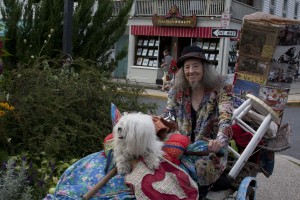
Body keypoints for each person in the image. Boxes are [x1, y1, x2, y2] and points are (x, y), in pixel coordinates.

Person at [162, 45, 233, 199]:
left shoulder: (220, 88)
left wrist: (219, 141)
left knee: (199, 171)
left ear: (204, 68)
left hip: (210, 151)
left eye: (195, 66)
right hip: (182, 148)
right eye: (187, 67)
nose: (191, 70)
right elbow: (168, 115)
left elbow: (226, 118)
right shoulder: (176, 90)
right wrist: (156, 127)